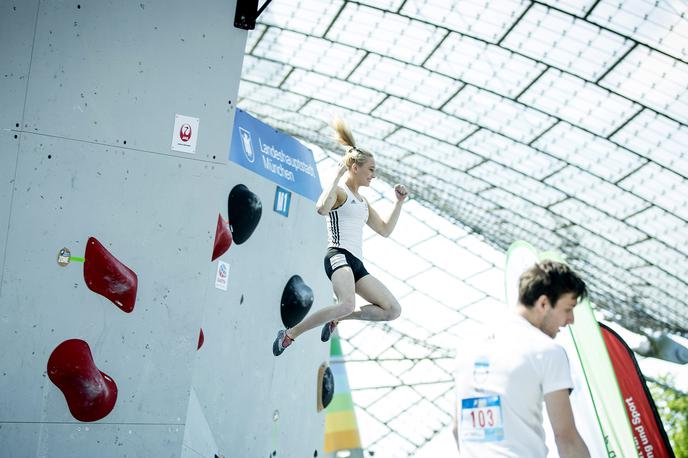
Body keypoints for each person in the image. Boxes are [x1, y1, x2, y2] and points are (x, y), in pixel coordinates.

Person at [272, 118, 408, 356]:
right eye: (371, 169)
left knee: (392, 310)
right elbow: (321, 208)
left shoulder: (363, 202)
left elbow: (385, 230)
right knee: (346, 302)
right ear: (355, 168)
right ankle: (290, 334)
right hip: (338, 256)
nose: (374, 175)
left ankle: (340, 319)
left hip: (356, 263)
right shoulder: (340, 193)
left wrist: (398, 203)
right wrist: (334, 178)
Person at [453, 260, 590, 458]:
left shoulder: (468, 346)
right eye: (568, 309)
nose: (571, 320)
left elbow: (458, 429)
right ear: (543, 303)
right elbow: (566, 438)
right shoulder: (547, 351)